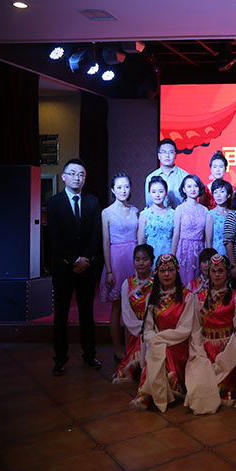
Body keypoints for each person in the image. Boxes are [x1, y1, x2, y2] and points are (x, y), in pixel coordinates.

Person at [47, 158, 102, 376]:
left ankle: (90, 354)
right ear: (64, 177)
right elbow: (54, 237)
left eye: (81, 174)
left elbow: (96, 234)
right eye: (72, 173)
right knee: (61, 314)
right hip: (63, 268)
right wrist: (73, 260)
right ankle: (60, 358)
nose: (77, 178)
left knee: (87, 313)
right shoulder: (54, 203)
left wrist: (85, 258)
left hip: (87, 267)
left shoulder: (92, 201)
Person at [184, 254, 236, 414]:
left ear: (227, 273)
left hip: (228, 350)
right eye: (213, 271)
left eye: (221, 271)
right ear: (209, 272)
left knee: (223, 389)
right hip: (205, 349)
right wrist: (199, 352)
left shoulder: (235, 297)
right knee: (199, 385)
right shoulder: (199, 297)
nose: (217, 274)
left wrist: (230, 354)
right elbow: (196, 329)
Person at [132, 254, 194, 412]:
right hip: (158, 342)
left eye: (170, 270)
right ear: (157, 273)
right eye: (162, 270)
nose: (166, 274)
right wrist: (154, 340)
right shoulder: (152, 297)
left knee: (162, 353)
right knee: (157, 351)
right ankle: (162, 394)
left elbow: (185, 330)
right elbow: (148, 328)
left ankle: (151, 394)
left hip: (178, 344)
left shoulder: (187, 297)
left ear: (177, 271)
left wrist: (159, 339)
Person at [99, 173, 139, 362]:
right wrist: (109, 270)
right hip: (116, 259)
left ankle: (133, 348)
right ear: (113, 190)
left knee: (134, 306)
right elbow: (105, 242)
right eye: (119, 187)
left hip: (134, 259)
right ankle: (117, 349)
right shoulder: (106, 212)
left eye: (126, 187)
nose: (123, 190)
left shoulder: (135, 210)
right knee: (117, 307)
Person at [113, 244, 153, 383]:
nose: (141, 263)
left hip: (154, 327)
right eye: (137, 259)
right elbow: (126, 313)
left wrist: (150, 327)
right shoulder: (127, 284)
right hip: (136, 330)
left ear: (152, 261)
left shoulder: (158, 282)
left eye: (145, 259)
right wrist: (141, 328)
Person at [171, 174, 208, 286]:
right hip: (183, 250)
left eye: (195, 186)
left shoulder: (205, 210)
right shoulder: (179, 209)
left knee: (199, 285)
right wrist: (172, 256)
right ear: (183, 189)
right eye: (189, 186)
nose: (193, 189)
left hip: (199, 249)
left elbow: (206, 237)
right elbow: (176, 235)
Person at [145, 139, 188, 209]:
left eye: (171, 152)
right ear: (159, 156)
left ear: (175, 155)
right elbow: (149, 204)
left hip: (180, 215)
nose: (167, 155)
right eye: (164, 152)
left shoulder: (185, 176)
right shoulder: (150, 177)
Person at [138, 176, 174, 261]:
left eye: (161, 191)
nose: (157, 195)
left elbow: (176, 238)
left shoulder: (173, 214)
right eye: (153, 192)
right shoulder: (144, 215)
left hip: (169, 255)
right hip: (150, 257)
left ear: (166, 193)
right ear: (149, 193)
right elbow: (141, 241)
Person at [205, 178, 232, 257]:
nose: (218, 195)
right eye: (215, 192)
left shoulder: (233, 214)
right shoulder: (211, 215)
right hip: (216, 254)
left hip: (232, 253)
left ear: (228, 195)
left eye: (222, 192)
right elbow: (208, 241)